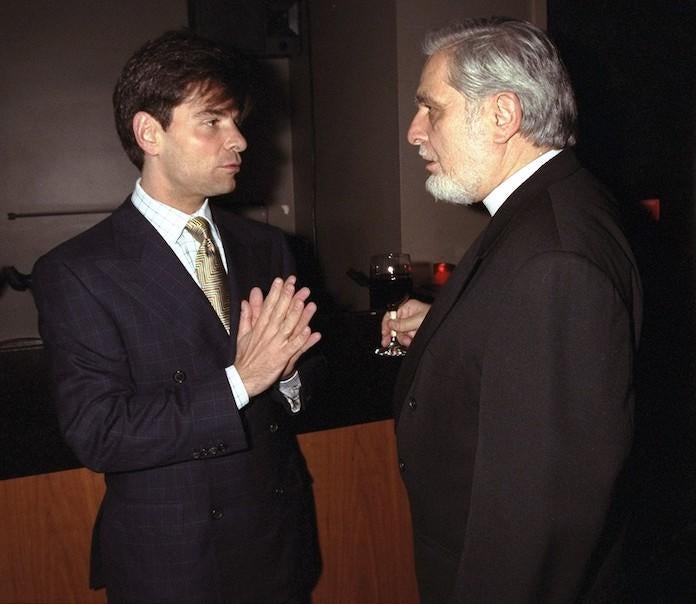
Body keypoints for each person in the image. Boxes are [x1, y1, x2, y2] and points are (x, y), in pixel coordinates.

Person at [32, 30, 322, 604]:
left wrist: (288, 374)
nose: (238, 138)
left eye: (236, 120)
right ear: (149, 133)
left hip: (276, 545)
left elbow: (305, 382)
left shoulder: (268, 247)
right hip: (172, 564)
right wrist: (242, 380)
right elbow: (100, 434)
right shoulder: (78, 271)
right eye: (212, 121)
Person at [382, 17, 642, 603]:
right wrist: (454, 328)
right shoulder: (548, 207)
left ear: (502, 115)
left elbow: (541, 519)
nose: (414, 132)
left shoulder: (554, 258)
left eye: (432, 109)